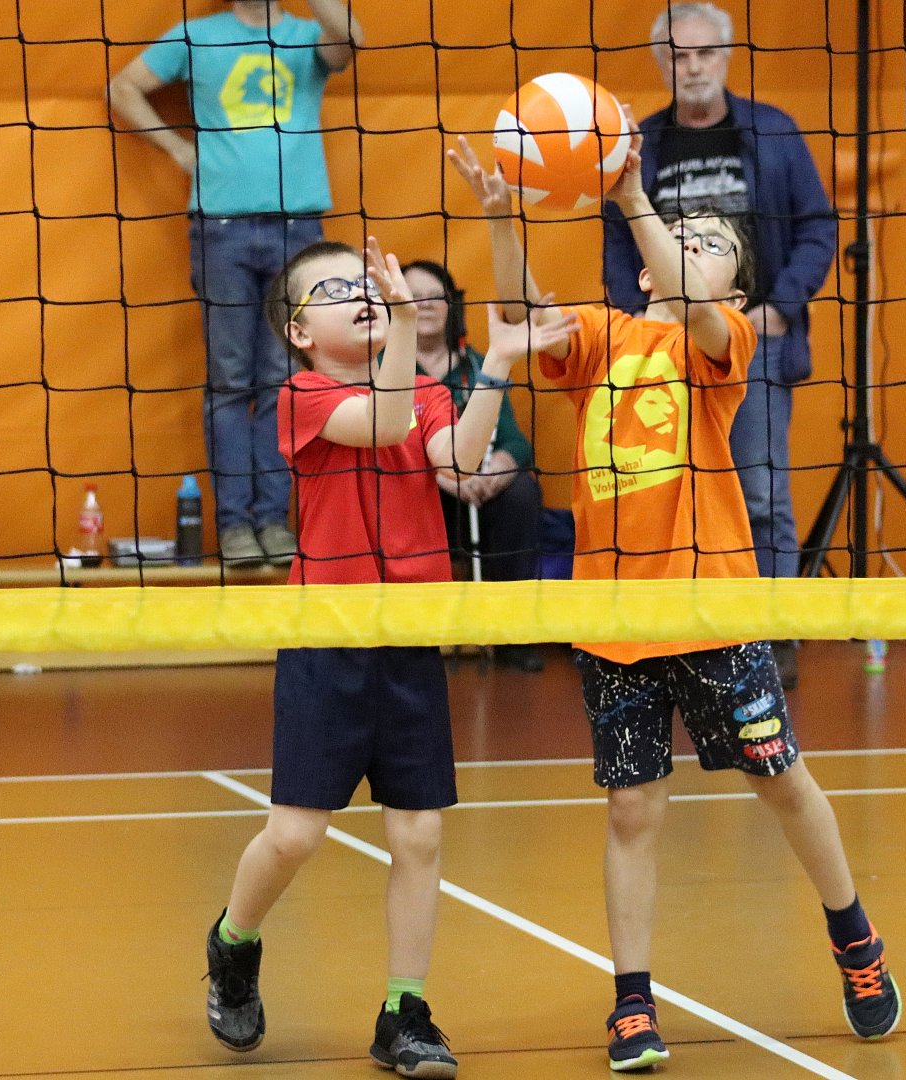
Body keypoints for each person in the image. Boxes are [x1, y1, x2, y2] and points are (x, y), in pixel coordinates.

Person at [450, 133, 900, 1071]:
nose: (690, 245)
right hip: (614, 622)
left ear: (736, 288)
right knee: (631, 811)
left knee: (780, 780)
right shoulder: (605, 335)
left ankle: (854, 935)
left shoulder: (722, 341)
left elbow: (694, 300)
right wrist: (502, 221)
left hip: (709, 611)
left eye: (711, 242)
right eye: (679, 236)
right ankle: (632, 1002)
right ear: (644, 272)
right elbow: (523, 314)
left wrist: (632, 196)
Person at [199, 235, 575, 1076]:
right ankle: (234, 940)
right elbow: (385, 422)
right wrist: (405, 320)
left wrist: (498, 363)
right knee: (295, 835)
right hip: (328, 638)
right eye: (335, 290)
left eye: (362, 282)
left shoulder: (430, 390)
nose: (361, 293)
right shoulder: (304, 395)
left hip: (408, 636)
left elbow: (460, 458)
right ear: (299, 332)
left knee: (419, 834)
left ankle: (404, 1010)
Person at [602, 2, 838, 689]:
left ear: (727, 57)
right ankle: (681, 635)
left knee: (761, 496)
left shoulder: (773, 131)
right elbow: (618, 242)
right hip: (662, 353)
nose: (693, 66)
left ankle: (771, 637)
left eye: (705, 52)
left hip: (750, 344)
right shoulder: (644, 142)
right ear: (661, 62)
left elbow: (818, 227)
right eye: (679, 55)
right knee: (665, 491)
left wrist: (779, 308)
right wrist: (640, 323)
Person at [108, 0, 363, 566]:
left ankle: (273, 521)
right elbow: (122, 88)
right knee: (229, 381)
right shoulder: (196, 35)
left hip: (297, 227)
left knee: (283, 379)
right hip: (221, 227)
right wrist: (178, 148)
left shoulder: (306, 35)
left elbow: (351, 39)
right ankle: (235, 528)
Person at [403, 258, 547, 673]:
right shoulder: (380, 367)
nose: (423, 304)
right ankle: (410, 636)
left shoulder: (481, 364)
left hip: (480, 498)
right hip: (421, 500)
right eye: (412, 296)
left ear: (452, 304)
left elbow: (514, 441)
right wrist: (446, 476)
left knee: (522, 493)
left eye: (434, 295)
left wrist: (494, 471)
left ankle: (511, 635)